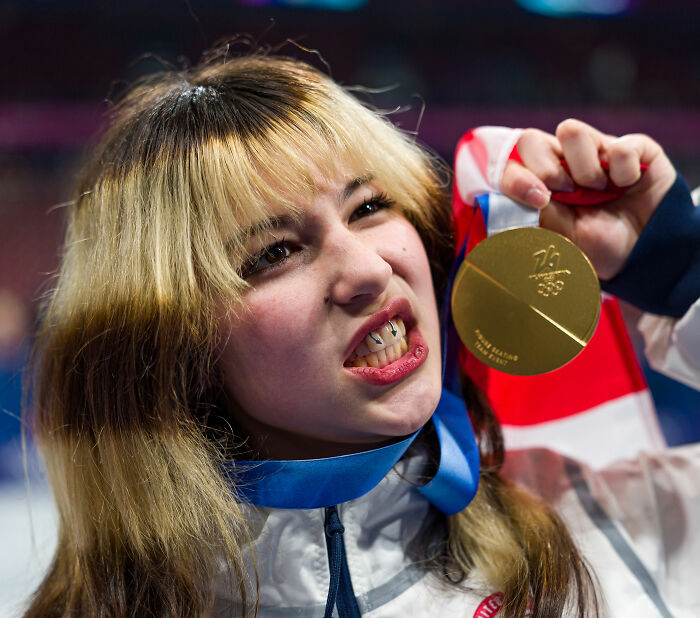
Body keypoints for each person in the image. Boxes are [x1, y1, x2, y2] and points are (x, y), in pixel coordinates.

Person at [23, 49, 700, 618]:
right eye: (274, 253)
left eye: (370, 206)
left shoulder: (620, 528)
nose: (369, 271)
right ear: (169, 349)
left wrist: (679, 270)